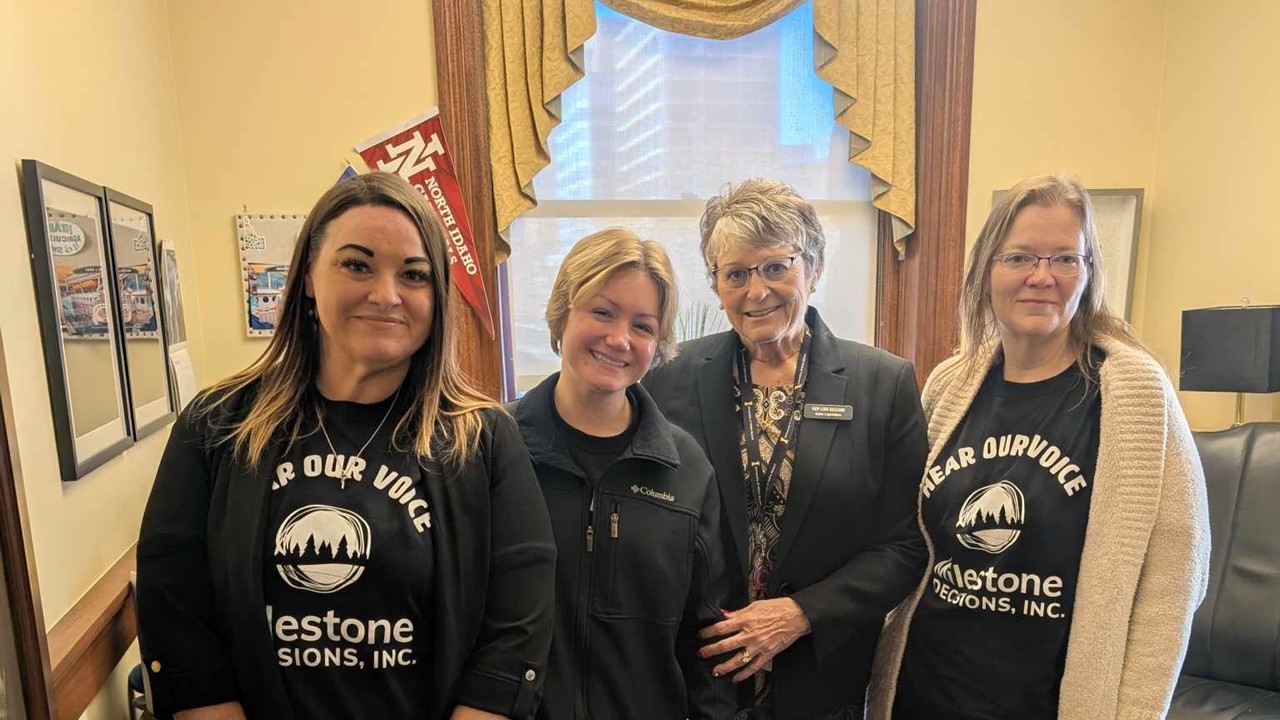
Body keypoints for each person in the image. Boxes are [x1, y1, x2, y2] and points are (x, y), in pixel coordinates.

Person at [136, 172, 556, 720]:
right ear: (308, 277)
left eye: (414, 274)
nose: (386, 295)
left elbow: (514, 636)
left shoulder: (483, 438)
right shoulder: (217, 425)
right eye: (357, 264)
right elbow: (176, 612)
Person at [868, 174, 1211, 720]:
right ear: (986, 270)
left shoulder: (1135, 393)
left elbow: (1175, 579)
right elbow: (911, 543)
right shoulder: (951, 383)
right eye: (1020, 258)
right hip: (922, 690)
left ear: (1088, 273)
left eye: (1064, 259)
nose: (1041, 277)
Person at [642, 178, 929, 719]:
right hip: (700, 677)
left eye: (777, 266)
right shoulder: (668, 377)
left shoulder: (882, 384)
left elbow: (905, 546)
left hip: (820, 675)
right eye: (736, 273)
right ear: (716, 283)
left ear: (813, 268)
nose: (757, 291)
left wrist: (800, 612)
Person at [509, 228, 735, 720]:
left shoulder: (686, 467)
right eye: (602, 312)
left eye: (643, 326)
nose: (619, 340)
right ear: (562, 314)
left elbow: (709, 635)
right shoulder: (496, 448)